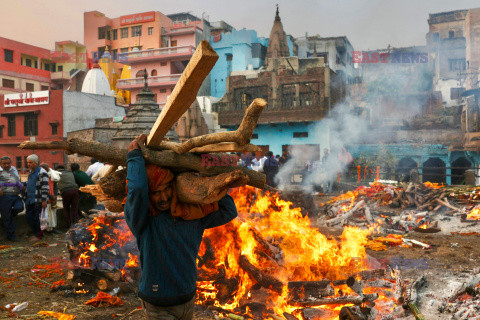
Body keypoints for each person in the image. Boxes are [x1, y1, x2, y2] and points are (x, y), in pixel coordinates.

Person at [124, 135, 238, 320]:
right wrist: (134, 156)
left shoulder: (193, 215)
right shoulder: (145, 221)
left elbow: (228, 210)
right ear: (148, 196)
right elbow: (136, 190)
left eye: (167, 188)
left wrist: (208, 178)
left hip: (187, 300)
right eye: (155, 193)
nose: (163, 198)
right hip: (158, 305)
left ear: (175, 187)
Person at [25, 154, 49, 241]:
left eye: (30, 162)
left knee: (37, 218)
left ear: (36, 163)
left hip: (38, 199)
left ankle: (38, 235)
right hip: (30, 199)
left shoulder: (42, 172)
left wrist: (44, 200)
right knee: (29, 217)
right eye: (27, 162)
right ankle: (36, 233)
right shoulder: (31, 172)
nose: (28, 164)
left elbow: (45, 187)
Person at [0, 156, 23, 241]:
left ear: (11, 163)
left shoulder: (13, 169)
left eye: (8, 163)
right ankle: (11, 235)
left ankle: (9, 215)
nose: (6, 165)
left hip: (15, 194)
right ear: (1, 164)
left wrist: (20, 185)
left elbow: (17, 178)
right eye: (4, 163)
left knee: (20, 207)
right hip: (5, 196)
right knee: (7, 217)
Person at [39, 163, 61, 233]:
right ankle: (46, 230)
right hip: (45, 198)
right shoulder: (40, 176)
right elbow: (42, 189)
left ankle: (53, 228)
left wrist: (55, 195)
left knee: (53, 214)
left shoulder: (52, 175)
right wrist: (51, 196)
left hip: (52, 198)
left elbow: (55, 186)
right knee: (46, 215)